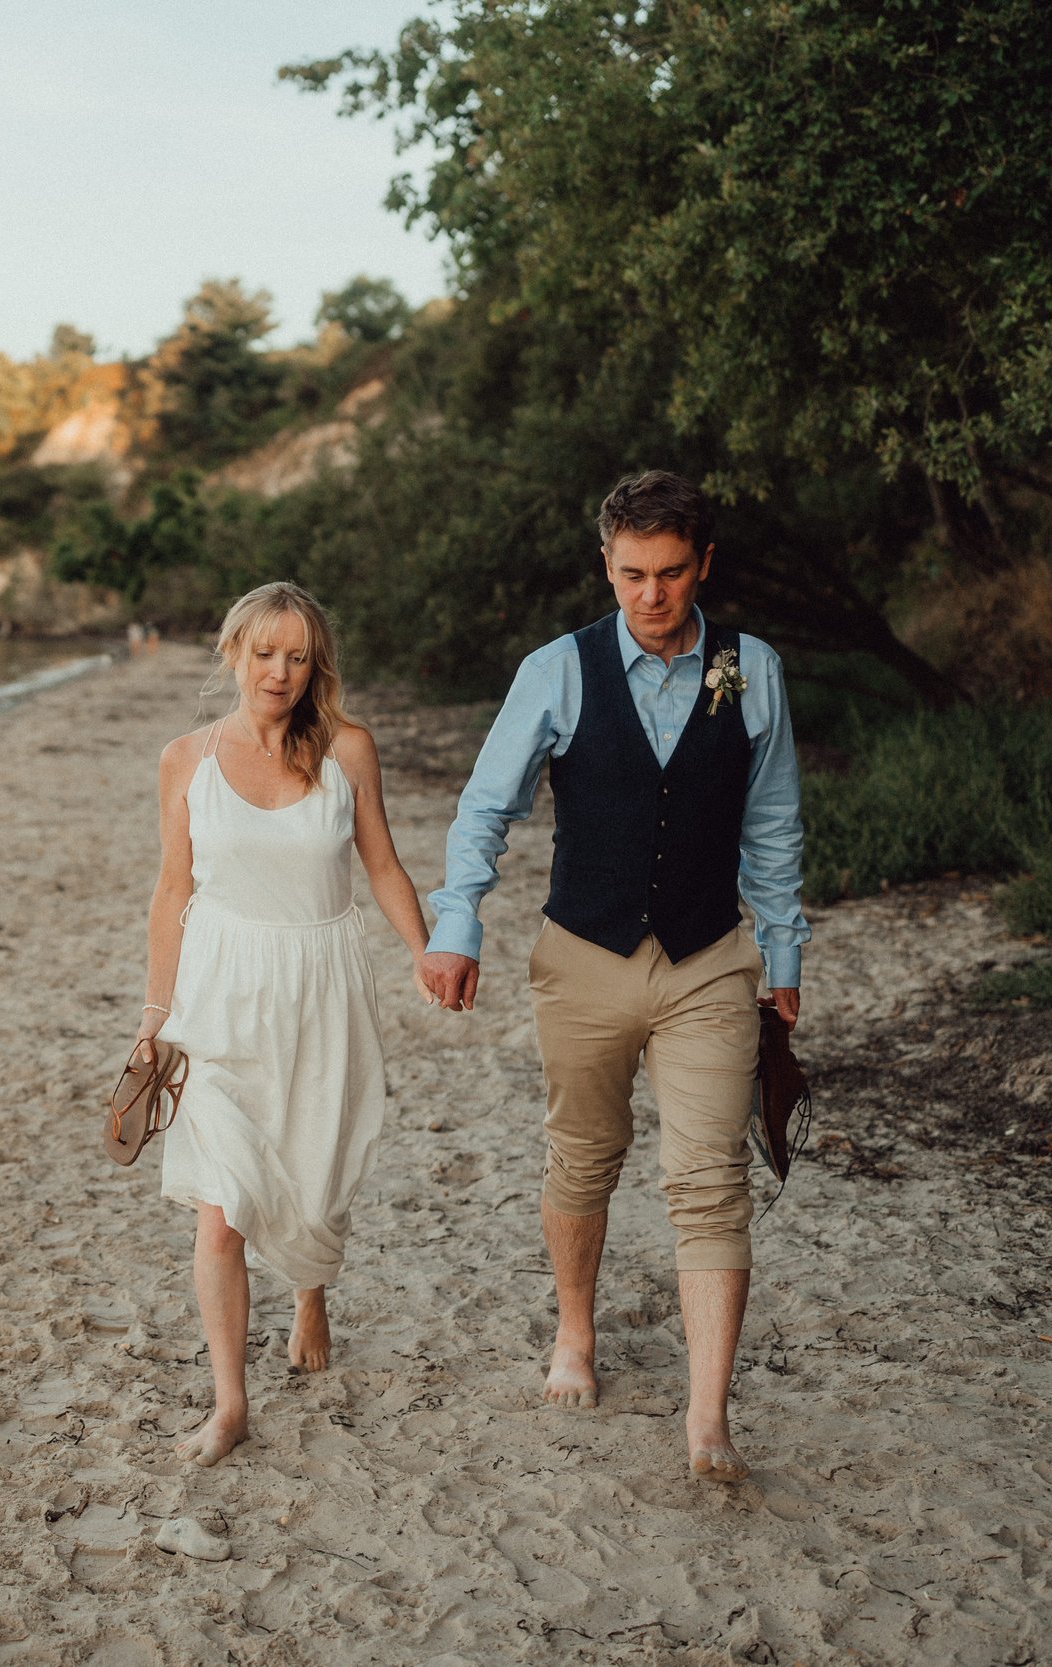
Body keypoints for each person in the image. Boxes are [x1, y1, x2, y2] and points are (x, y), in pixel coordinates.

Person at [420, 469, 808, 1484]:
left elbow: (771, 824)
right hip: (582, 956)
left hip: (707, 959)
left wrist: (785, 952)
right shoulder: (554, 669)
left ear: (703, 564)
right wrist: (455, 924)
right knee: (582, 1155)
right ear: (606, 563)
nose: (651, 594)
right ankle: (575, 1332)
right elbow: (483, 809)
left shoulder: (750, 668)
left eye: (671, 573)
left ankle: (707, 1418)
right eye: (631, 573)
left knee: (710, 1178)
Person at [137, 581, 440, 1467]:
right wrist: (156, 1016)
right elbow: (171, 890)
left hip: (323, 988)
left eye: (297, 655)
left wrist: (424, 949)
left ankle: (310, 1285)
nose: (279, 671)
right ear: (233, 653)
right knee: (222, 1206)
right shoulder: (186, 758)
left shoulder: (348, 750)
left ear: (318, 665)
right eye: (263, 652)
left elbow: (381, 865)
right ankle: (230, 1402)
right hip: (221, 993)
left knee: (314, 1173)